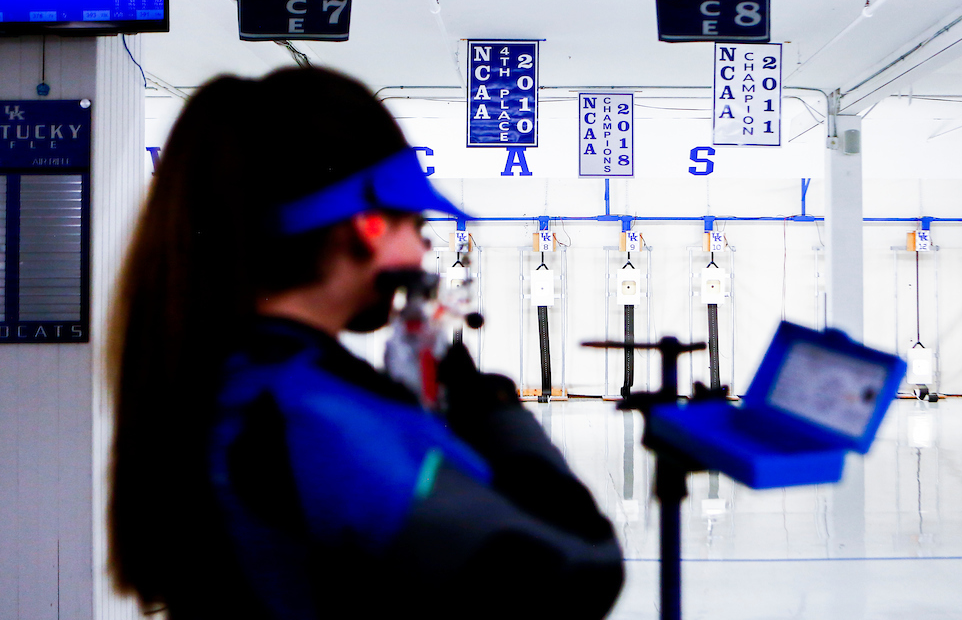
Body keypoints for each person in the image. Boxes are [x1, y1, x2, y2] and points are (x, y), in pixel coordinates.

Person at [108, 67, 624, 619]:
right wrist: (494, 413)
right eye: (415, 223)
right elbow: (577, 571)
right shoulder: (312, 415)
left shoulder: (234, 371)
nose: (423, 250)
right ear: (367, 225)